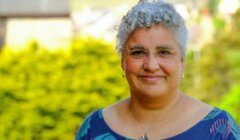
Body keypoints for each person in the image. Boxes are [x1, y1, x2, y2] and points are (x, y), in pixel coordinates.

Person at [75, 0, 240, 139]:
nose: (151, 65)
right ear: (123, 61)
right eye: (138, 53)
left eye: (164, 52)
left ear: (182, 61)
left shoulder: (220, 130)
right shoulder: (93, 128)